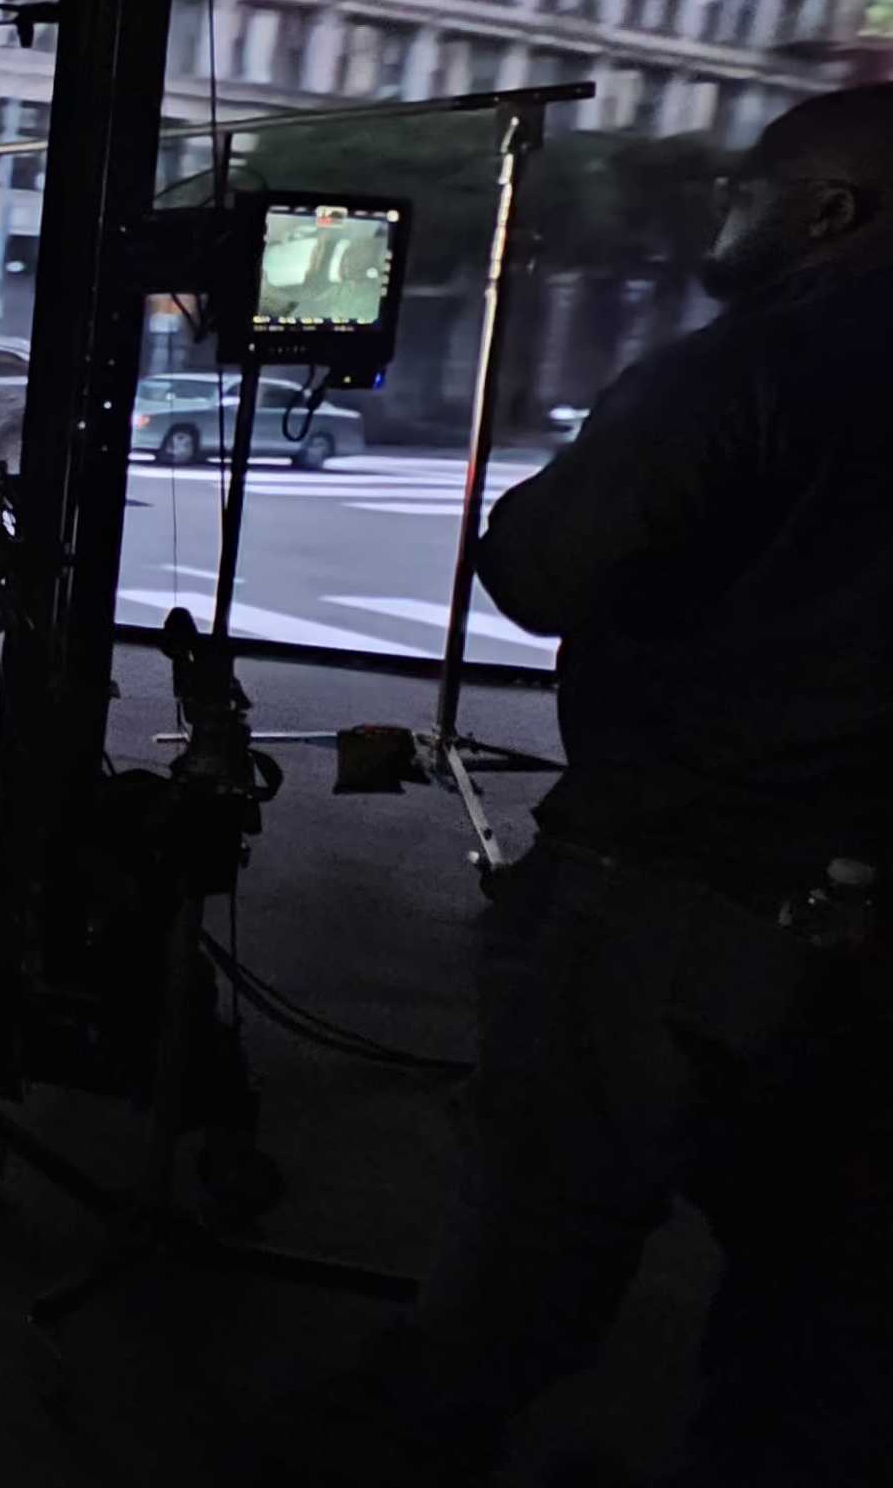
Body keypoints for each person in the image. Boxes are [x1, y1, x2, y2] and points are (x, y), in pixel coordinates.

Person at [385, 84, 893, 1484]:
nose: (725, 217)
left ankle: (435, 1440)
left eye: (747, 194)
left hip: (668, 893)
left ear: (830, 210)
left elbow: (537, 569)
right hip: (861, 920)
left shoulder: (752, 366)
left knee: (536, 1228)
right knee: (825, 1293)